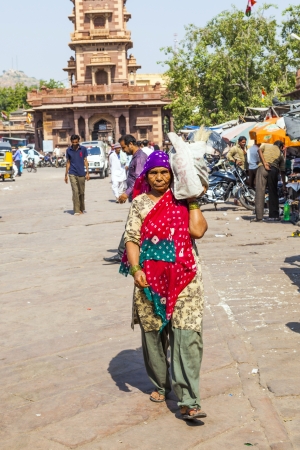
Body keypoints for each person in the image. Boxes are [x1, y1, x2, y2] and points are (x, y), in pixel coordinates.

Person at [120, 151, 208, 420]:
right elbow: (131, 238)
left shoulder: (182, 200)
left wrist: (192, 200)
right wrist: (135, 270)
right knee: (154, 336)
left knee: (187, 336)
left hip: (185, 277)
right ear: (146, 176)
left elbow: (198, 232)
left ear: (172, 175)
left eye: (164, 172)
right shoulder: (139, 204)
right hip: (150, 280)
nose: (159, 177)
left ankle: (188, 399)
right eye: (154, 173)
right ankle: (161, 382)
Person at [104, 135, 147, 263]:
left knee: (131, 225)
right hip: (138, 196)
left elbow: (138, 179)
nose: (123, 150)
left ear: (131, 144)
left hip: (140, 196)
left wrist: (126, 193)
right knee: (135, 225)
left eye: (124, 147)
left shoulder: (139, 158)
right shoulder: (136, 157)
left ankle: (123, 253)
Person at [251, 140, 286, 223]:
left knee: (260, 191)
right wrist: (284, 185)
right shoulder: (280, 154)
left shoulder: (266, 145)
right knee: (273, 192)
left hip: (262, 168)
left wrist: (265, 163)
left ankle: (259, 218)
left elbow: (259, 150)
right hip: (273, 170)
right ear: (281, 147)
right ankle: (274, 216)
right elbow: (283, 171)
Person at [65, 135, 90, 216]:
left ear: (79, 141)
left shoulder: (83, 149)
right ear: (71, 142)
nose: (75, 144)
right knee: (75, 191)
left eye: (76, 142)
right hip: (72, 172)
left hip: (81, 173)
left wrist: (87, 172)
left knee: (81, 192)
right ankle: (76, 210)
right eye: (73, 142)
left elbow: (85, 161)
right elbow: (68, 162)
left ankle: (81, 208)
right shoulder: (68, 150)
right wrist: (65, 175)